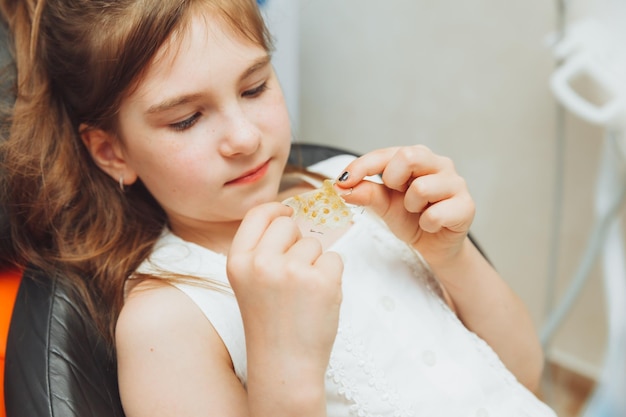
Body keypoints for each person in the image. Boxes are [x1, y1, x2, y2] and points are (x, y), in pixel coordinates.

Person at [0, 0, 557, 416]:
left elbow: (522, 376)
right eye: (187, 119)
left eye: (254, 87)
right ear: (112, 150)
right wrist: (283, 355)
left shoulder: (333, 189)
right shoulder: (169, 319)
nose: (243, 137)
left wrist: (452, 256)